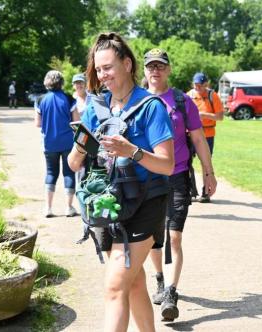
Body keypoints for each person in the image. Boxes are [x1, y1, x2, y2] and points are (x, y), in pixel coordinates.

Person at [67, 32, 174, 332]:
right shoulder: (96, 107)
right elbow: (73, 163)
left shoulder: (151, 107)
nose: (103, 75)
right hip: (111, 206)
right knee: (135, 283)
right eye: (99, 69)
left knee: (115, 286)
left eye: (108, 67)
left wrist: (132, 151)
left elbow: (168, 165)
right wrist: (84, 144)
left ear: (127, 64)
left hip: (147, 203)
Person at [143, 48, 217, 321]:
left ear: (169, 70)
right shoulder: (137, 100)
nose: (155, 71)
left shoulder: (182, 101)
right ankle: (160, 279)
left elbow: (198, 140)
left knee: (174, 235)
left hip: (177, 176)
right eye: (150, 66)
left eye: (160, 66)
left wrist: (209, 173)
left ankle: (172, 293)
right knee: (152, 236)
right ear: (143, 70)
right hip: (148, 178)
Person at [34, 71, 79, 218]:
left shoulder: (40, 100)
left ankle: (48, 208)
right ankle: (69, 208)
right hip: (67, 143)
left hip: (49, 143)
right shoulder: (69, 99)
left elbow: (38, 123)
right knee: (69, 173)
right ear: (61, 82)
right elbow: (76, 122)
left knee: (51, 173)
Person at [187, 72, 223, 203]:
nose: (197, 88)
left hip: (208, 134)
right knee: (186, 163)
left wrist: (203, 115)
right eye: (195, 85)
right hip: (190, 134)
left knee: (205, 163)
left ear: (206, 84)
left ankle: (205, 193)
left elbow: (220, 117)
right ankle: (190, 191)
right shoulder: (189, 95)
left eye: (200, 86)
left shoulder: (212, 96)